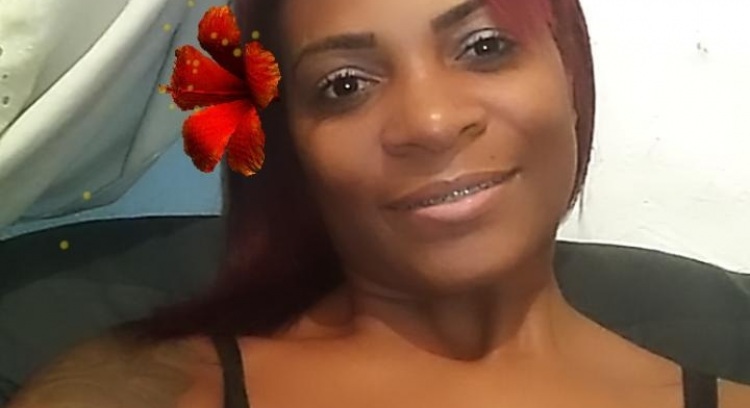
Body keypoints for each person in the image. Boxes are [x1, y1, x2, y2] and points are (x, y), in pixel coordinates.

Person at [7, 0, 750, 407]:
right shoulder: (145, 391)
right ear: (292, 146)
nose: (431, 122)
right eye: (344, 86)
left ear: (567, 68)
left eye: (484, 46)